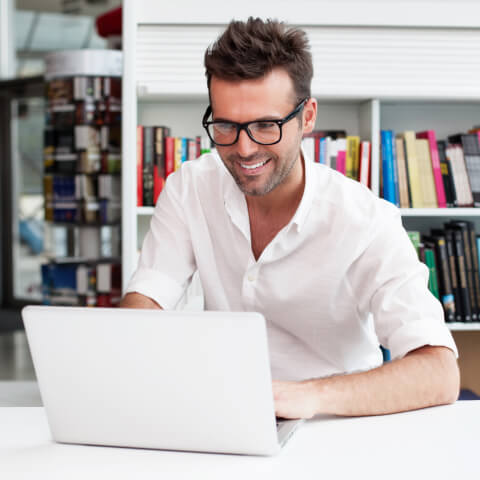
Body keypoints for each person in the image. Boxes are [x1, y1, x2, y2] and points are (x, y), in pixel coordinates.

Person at [120, 17, 459, 419]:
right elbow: (146, 298)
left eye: (267, 125)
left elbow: (439, 373)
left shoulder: (366, 221)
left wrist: (304, 397)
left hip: (338, 427)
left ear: (308, 117)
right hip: (224, 416)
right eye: (226, 125)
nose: (244, 149)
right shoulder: (190, 188)